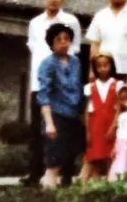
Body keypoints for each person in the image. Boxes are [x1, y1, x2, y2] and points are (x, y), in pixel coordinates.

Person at [25, 0, 82, 185]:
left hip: (64, 87)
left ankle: (66, 176)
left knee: (66, 133)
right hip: (40, 86)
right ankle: (35, 175)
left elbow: (74, 50)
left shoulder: (71, 21)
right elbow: (35, 50)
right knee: (39, 132)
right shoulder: (35, 23)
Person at [36, 23, 84, 189]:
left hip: (73, 116)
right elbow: (43, 95)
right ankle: (48, 194)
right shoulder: (47, 64)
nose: (63, 42)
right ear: (52, 43)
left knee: (70, 161)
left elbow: (79, 88)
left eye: (67, 39)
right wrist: (49, 123)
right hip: (56, 115)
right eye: (59, 39)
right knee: (54, 160)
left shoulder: (76, 62)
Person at [80, 53, 118, 182]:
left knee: (110, 158)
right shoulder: (90, 87)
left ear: (111, 66)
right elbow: (87, 111)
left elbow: (118, 109)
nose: (102, 69)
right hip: (95, 127)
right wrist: (87, 132)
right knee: (92, 158)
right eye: (99, 66)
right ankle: (86, 188)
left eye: (106, 65)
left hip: (110, 126)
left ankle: (110, 186)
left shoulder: (117, 85)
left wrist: (114, 127)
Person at [108, 85, 127, 179]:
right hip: (121, 142)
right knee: (120, 162)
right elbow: (118, 131)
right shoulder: (120, 115)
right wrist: (114, 147)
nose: (124, 102)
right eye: (122, 99)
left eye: (126, 99)